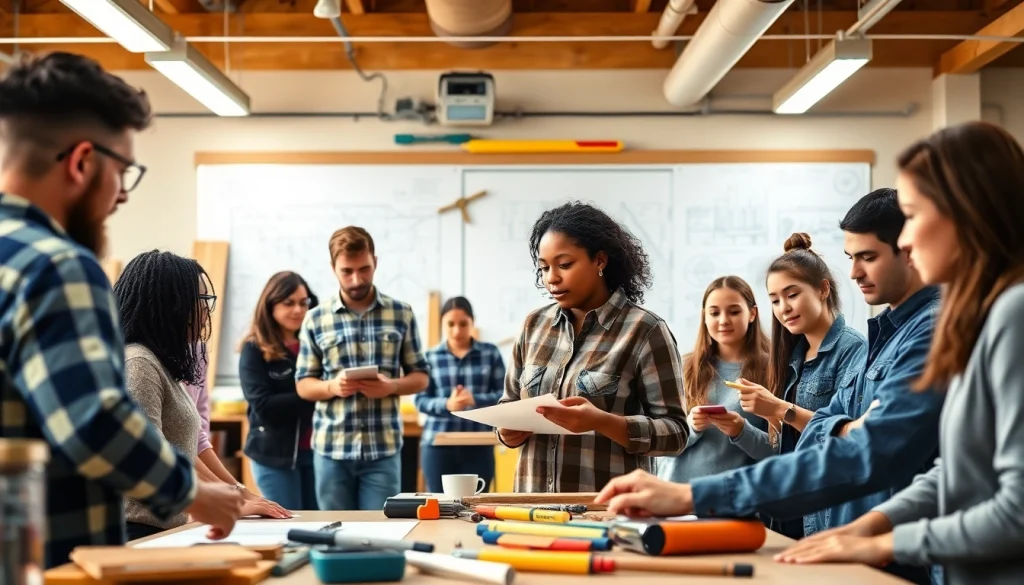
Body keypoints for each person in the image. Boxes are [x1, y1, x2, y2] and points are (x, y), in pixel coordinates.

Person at [594, 189, 944, 585]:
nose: (855, 273)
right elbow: (828, 436)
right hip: (844, 537)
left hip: (892, 555)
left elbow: (868, 451)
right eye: (851, 258)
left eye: (868, 257)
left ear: (910, 248)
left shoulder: (928, 332)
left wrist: (696, 494)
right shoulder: (881, 337)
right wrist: (845, 428)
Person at [0, 52, 241, 567]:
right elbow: (94, 424)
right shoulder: (57, 265)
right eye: (123, 171)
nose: (122, 197)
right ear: (83, 161)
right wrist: (196, 493)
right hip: (49, 560)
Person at [772, 122, 1024, 585]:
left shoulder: (1011, 313)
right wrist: (871, 528)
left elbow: (1015, 511)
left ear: (965, 212)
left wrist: (882, 542)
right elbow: (953, 472)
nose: (907, 241)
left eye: (916, 214)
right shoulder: (978, 317)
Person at [496, 201, 688, 493]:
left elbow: (675, 434)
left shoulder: (645, 331)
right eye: (544, 268)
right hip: (531, 510)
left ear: (600, 261)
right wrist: (507, 432)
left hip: (607, 512)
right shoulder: (533, 326)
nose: (552, 278)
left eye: (564, 264)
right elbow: (508, 406)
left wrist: (602, 421)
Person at [727, 232, 867, 538]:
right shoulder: (793, 355)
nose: (783, 308)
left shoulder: (854, 349)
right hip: (790, 501)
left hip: (827, 506)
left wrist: (779, 407)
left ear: (822, 289)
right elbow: (783, 443)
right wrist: (769, 414)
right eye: (775, 300)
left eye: (792, 294)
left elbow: (849, 436)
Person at [296, 226, 429, 511]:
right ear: (333, 269)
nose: (357, 279)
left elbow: (421, 377)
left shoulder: (401, 313)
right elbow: (303, 384)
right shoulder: (315, 319)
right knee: (336, 535)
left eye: (364, 269)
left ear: (375, 263)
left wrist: (391, 386)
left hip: (383, 450)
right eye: (347, 271)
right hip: (331, 450)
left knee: (381, 535)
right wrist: (332, 386)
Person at [657, 276, 772, 483]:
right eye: (714, 313)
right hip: (674, 499)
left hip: (735, 502)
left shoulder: (772, 371)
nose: (723, 320)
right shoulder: (684, 368)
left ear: (752, 313)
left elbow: (781, 452)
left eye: (734, 311)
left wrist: (742, 431)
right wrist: (690, 427)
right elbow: (658, 448)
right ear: (704, 317)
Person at [239, 271, 320, 510]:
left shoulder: (314, 344)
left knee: (320, 526)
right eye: (289, 303)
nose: (298, 310)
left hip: (318, 453)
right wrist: (314, 393)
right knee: (288, 524)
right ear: (270, 305)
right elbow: (263, 406)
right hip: (274, 456)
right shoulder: (253, 348)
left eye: (303, 303)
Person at [185, 345, 291, 518]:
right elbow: (176, 443)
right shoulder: (143, 361)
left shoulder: (197, 349)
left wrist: (238, 490)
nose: (205, 320)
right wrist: (228, 496)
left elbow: (196, 434)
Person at [415, 297, 505, 493]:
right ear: (442, 324)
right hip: (438, 446)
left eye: (463, 324)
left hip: (479, 444)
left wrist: (475, 400)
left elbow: (505, 396)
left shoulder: (491, 354)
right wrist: (447, 404)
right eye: (450, 324)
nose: (457, 331)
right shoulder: (429, 358)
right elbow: (420, 401)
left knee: (477, 507)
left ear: (472, 323)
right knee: (439, 507)